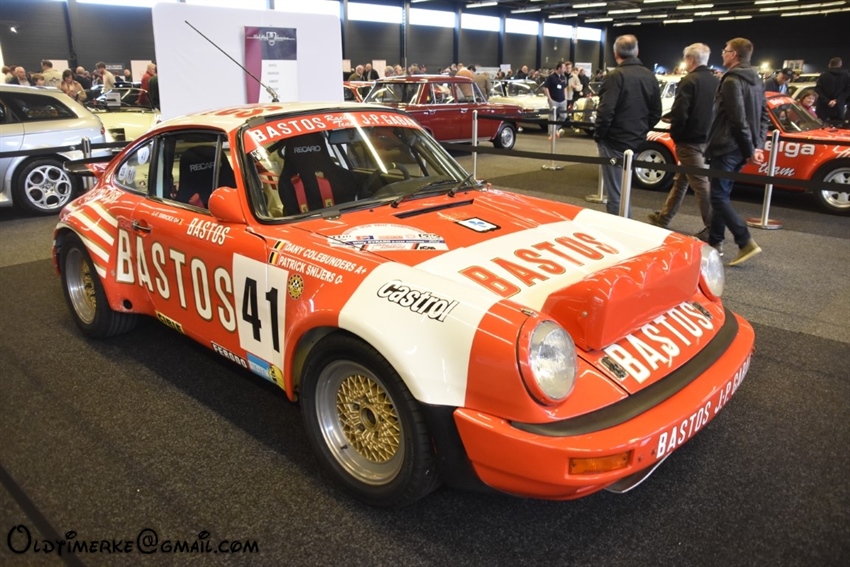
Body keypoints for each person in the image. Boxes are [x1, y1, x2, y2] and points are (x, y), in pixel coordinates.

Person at [704, 37, 769, 266]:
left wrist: (750, 148)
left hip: (727, 146)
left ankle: (744, 240)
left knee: (718, 196)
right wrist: (756, 146)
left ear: (733, 54)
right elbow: (764, 116)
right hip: (741, 147)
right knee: (722, 195)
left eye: (725, 50)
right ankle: (715, 241)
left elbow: (737, 119)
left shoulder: (731, 80)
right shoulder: (757, 80)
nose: (722, 53)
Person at [647, 43, 717, 239]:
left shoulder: (689, 81)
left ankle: (713, 228)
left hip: (689, 140)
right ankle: (664, 217)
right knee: (682, 180)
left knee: (700, 184)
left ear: (691, 59)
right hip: (706, 138)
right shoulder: (715, 81)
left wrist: (676, 134)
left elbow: (681, 111)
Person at [594, 35, 662, 216]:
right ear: (637, 51)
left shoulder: (614, 76)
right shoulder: (649, 76)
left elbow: (605, 112)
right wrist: (641, 129)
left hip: (614, 141)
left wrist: (599, 135)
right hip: (637, 140)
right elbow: (656, 112)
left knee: (616, 194)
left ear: (616, 53)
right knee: (623, 190)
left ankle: (621, 229)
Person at [542, 61, 581, 140]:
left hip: (562, 101)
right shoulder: (551, 77)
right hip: (554, 100)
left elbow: (564, 87)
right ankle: (551, 133)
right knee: (552, 117)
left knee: (564, 116)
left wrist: (565, 97)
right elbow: (546, 88)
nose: (565, 69)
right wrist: (550, 98)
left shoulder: (563, 77)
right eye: (563, 68)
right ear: (559, 68)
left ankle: (555, 129)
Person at [814, 57, 850, 124]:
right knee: (837, 127)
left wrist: (827, 101)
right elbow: (847, 91)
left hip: (823, 107)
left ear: (830, 65)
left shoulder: (824, 75)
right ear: (840, 65)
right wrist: (837, 100)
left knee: (822, 126)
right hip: (838, 108)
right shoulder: (847, 76)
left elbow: (818, 89)